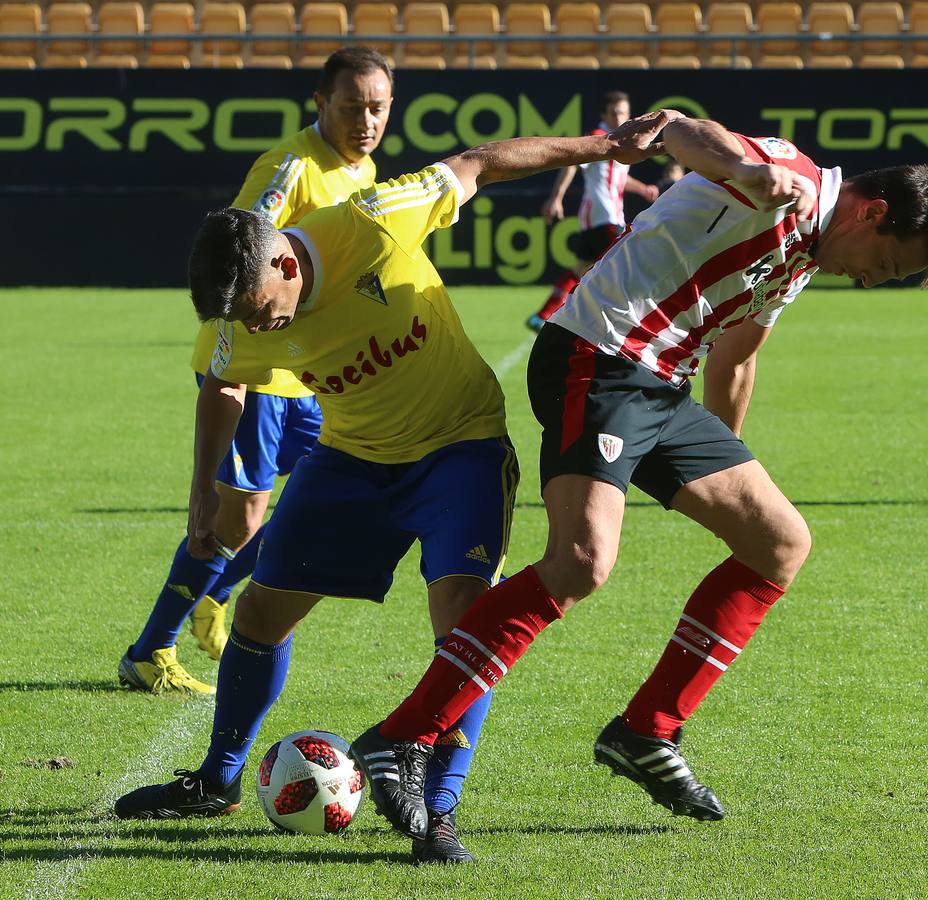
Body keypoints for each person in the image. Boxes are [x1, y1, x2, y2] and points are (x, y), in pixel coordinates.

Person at [335, 117, 928, 844]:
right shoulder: (784, 177)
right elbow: (680, 131)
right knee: (581, 562)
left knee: (780, 543)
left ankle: (646, 732)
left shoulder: (800, 257)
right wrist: (753, 173)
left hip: (662, 386)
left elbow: (737, 357)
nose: (866, 280)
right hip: (597, 358)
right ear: (872, 213)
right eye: (884, 266)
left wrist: (724, 466)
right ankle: (402, 734)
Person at [111, 110, 676, 866]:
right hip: (350, 456)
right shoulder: (239, 315)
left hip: (461, 448)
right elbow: (220, 383)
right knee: (260, 611)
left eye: (257, 312)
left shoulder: (372, 222)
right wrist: (200, 490)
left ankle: (436, 813)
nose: (257, 329)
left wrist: (604, 149)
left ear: (284, 265)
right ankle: (216, 781)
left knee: (464, 627)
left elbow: (480, 162)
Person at [118, 47, 394, 696]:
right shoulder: (291, 167)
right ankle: (149, 649)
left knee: (335, 494)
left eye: (377, 108)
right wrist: (232, 370)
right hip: (255, 367)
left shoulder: (363, 169)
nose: (365, 120)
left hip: (309, 373)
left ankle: (214, 597)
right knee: (235, 521)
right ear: (321, 104)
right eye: (351, 107)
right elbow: (239, 257)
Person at [526, 91, 661, 331]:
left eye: (623, 112)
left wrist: (641, 189)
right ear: (604, 115)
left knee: (581, 270)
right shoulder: (600, 139)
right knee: (624, 272)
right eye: (614, 113)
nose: (619, 118)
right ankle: (622, 326)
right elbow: (572, 164)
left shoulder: (620, 143)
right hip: (606, 217)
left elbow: (617, 178)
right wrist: (556, 198)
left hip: (595, 221)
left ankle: (542, 316)